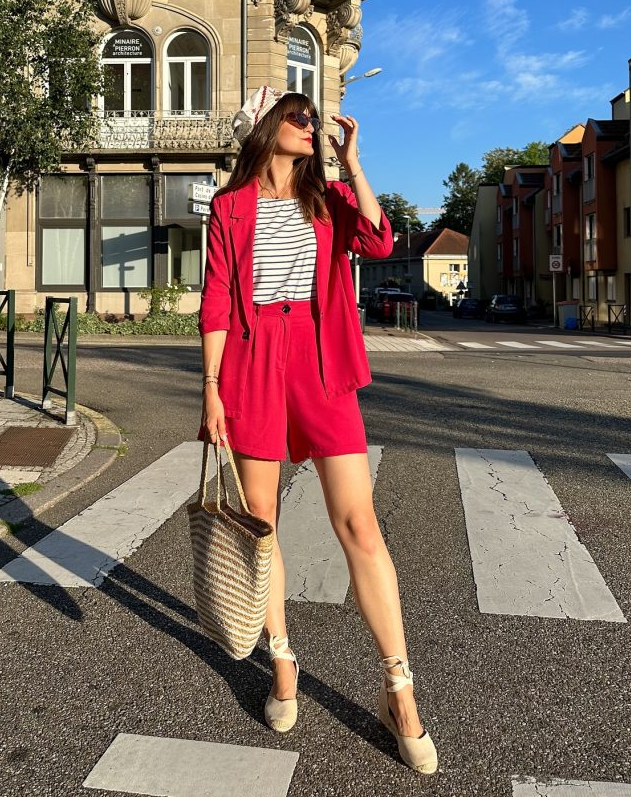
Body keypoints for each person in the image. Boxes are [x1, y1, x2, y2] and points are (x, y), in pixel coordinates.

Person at [196, 85, 438, 776]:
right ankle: (282, 664)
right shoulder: (229, 207)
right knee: (261, 525)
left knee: (360, 524)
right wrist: (211, 388)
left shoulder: (326, 201)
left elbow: (379, 237)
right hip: (250, 363)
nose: (311, 126)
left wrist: (353, 164)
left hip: (319, 359)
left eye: (312, 118)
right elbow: (216, 298)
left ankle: (400, 692)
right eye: (298, 117)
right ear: (266, 128)